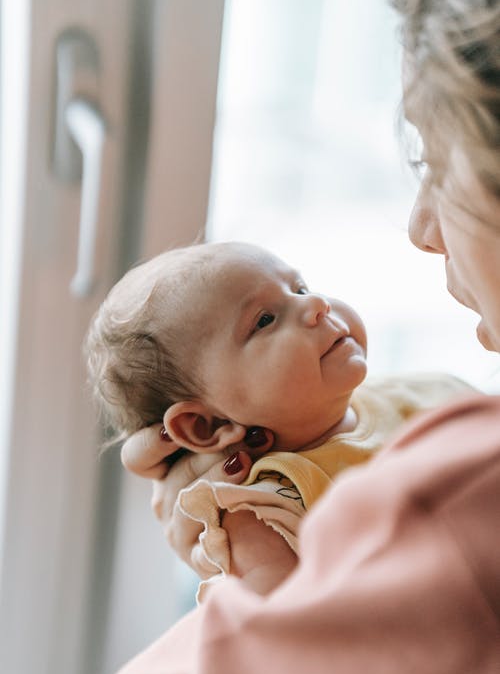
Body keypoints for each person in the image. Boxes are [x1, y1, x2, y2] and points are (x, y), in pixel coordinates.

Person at [84, 0, 500, 674]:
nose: (420, 228)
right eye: (265, 321)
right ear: (205, 425)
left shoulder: (462, 483)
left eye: (436, 163)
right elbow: (276, 615)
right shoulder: (259, 500)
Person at [86, 241, 471, 596]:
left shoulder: (429, 389)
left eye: (300, 289)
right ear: (210, 426)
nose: (316, 304)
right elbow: (283, 639)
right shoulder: (261, 512)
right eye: (265, 320)